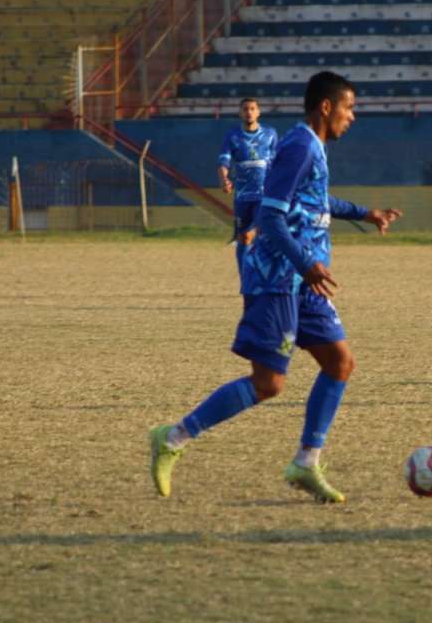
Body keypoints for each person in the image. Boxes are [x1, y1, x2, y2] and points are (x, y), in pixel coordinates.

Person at [150, 72, 403, 503]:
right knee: (268, 384)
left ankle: (306, 462)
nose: (352, 116)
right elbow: (269, 216)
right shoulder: (301, 146)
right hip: (277, 278)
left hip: (303, 281)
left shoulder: (311, 147)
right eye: (349, 108)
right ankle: (171, 438)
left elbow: (317, 202)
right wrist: (306, 264)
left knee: (339, 363)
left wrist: (365, 212)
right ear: (327, 107)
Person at [218, 97, 278, 275]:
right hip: (243, 196)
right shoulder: (233, 136)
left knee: (263, 234)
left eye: (252, 108)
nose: (249, 112)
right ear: (240, 113)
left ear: (258, 112)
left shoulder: (270, 134)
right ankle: (246, 279)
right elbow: (224, 161)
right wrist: (224, 179)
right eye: (245, 109)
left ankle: (264, 276)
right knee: (244, 237)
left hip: (264, 194)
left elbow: (276, 162)